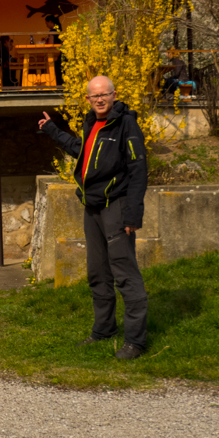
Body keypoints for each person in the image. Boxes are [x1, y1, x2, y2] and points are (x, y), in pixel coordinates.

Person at [38, 75, 149, 360]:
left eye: (104, 95)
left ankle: (135, 341)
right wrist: (52, 130)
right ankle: (104, 330)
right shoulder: (92, 123)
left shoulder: (127, 125)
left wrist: (133, 214)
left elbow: (138, 170)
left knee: (125, 275)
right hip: (92, 207)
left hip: (117, 207)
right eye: (94, 96)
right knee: (98, 273)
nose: (99, 99)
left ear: (114, 95)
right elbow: (81, 151)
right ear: (88, 99)